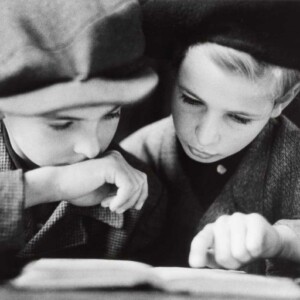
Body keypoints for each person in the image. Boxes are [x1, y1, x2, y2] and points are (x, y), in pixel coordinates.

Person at [121, 0, 300, 276]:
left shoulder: (293, 162)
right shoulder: (135, 155)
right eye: (191, 100)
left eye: (239, 118)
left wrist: (282, 242)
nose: (204, 139)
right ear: (175, 74)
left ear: (284, 99)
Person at [0, 0, 166, 279]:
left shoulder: (136, 199)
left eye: (111, 115)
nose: (91, 148)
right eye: (63, 123)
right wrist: (51, 186)